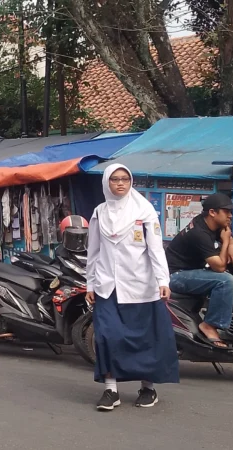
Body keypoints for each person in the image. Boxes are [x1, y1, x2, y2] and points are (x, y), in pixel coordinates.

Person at [86, 164, 179, 411]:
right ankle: (110, 390)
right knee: (107, 337)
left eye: (125, 179)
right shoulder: (99, 213)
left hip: (141, 286)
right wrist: (90, 283)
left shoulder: (144, 210)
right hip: (108, 287)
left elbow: (156, 248)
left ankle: (147, 388)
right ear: (106, 182)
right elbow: (93, 251)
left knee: (144, 339)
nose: (120, 183)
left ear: (130, 182)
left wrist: (163, 281)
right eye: (114, 179)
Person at [165, 193, 233, 349]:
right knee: (225, 280)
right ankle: (210, 325)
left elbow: (226, 232)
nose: (230, 216)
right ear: (213, 213)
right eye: (227, 212)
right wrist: (227, 241)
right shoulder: (199, 234)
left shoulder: (211, 224)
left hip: (190, 270)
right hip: (175, 275)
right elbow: (220, 267)